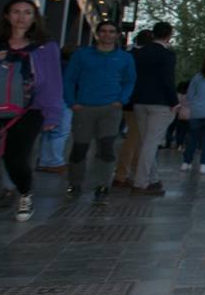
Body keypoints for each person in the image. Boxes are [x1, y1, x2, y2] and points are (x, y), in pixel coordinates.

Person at [0, 0, 63, 229]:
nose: (21, 17)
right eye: (16, 12)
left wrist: (53, 115)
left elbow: (52, 83)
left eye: (27, 12)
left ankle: (25, 193)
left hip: (28, 111)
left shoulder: (46, 48)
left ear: (34, 18)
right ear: (7, 16)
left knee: (15, 159)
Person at [64, 21, 136, 205]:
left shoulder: (124, 58)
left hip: (110, 108)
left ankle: (103, 185)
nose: (107, 35)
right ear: (97, 34)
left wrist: (121, 100)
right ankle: (75, 183)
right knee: (80, 148)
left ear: (117, 35)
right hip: (84, 107)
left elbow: (129, 81)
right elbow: (69, 78)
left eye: (111, 31)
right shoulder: (82, 55)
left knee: (106, 148)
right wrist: (72, 102)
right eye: (103, 31)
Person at [128, 22, 178, 196]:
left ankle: (153, 179)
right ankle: (141, 183)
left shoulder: (138, 54)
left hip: (139, 101)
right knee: (150, 144)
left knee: (146, 142)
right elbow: (167, 81)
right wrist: (174, 102)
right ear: (169, 35)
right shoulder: (167, 55)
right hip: (160, 103)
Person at [111, 29, 155, 188]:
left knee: (135, 138)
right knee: (134, 139)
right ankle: (122, 174)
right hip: (138, 101)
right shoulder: (144, 57)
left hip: (127, 101)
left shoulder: (127, 53)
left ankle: (130, 172)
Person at [36, 45, 76, 173]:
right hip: (63, 101)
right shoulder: (70, 67)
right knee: (60, 132)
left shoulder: (54, 65)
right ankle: (54, 162)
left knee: (48, 132)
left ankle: (44, 160)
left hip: (47, 100)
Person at [164, 81, 189, 151]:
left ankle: (171, 144)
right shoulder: (190, 96)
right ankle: (181, 145)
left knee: (172, 129)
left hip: (177, 114)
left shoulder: (177, 94)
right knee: (183, 131)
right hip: (187, 115)